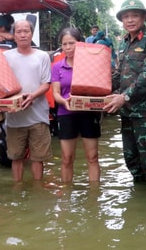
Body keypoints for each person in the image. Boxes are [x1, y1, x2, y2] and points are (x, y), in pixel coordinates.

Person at [104, 0, 146, 191]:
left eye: (135, 15)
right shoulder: (122, 42)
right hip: (126, 112)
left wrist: (124, 96)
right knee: (130, 158)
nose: (130, 20)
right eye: (126, 17)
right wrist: (99, 90)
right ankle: (139, 199)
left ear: (143, 17)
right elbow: (117, 73)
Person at [4, 19, 52, 182]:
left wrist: (32, 96)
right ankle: (17, 190)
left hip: (38, 116)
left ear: (31, 34)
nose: (23, 35)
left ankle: (38, 191)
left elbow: (46, 84)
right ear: (14, 35)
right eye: (19, 31)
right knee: (15, 157)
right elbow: (0, 83)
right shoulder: (5, 56)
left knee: (38, 158)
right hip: (15, 118)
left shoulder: (42, 56)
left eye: (26, 31)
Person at [51, 27, 101, 183]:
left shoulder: (90, 64)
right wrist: (64, 101)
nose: (67, 48)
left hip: (88, 113)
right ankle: (66, 198)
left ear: (79, 43)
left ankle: (94, 198)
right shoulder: (57, 67)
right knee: (66, 158)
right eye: (64, 44)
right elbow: (55, 93)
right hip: (66, 114)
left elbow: (99, 87)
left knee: (92, 157)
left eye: (71, 43)